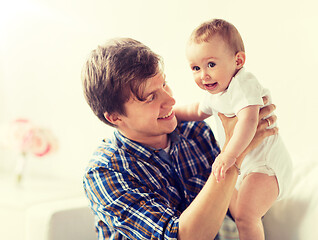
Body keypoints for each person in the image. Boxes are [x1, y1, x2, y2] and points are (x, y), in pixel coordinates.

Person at [81, 37, 278, 240]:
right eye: (151, 97)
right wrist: (234, 151)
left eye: (164, 84)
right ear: (115, 117)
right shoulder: (104, 172)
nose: (171, 100)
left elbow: (232, 207)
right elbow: (180, 237)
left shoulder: (195, 132)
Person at [174, 19, 293, 239]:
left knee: (246, 217)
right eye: (195, 68)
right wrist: (172, 115)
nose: (203, 75)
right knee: (237, 213)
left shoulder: (243, 84)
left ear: (238, 60)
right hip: (245, 165)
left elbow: (249, 122)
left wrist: (228, 154)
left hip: (264, 165)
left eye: (211, 64)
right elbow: (196, 110)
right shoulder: (217, 92)